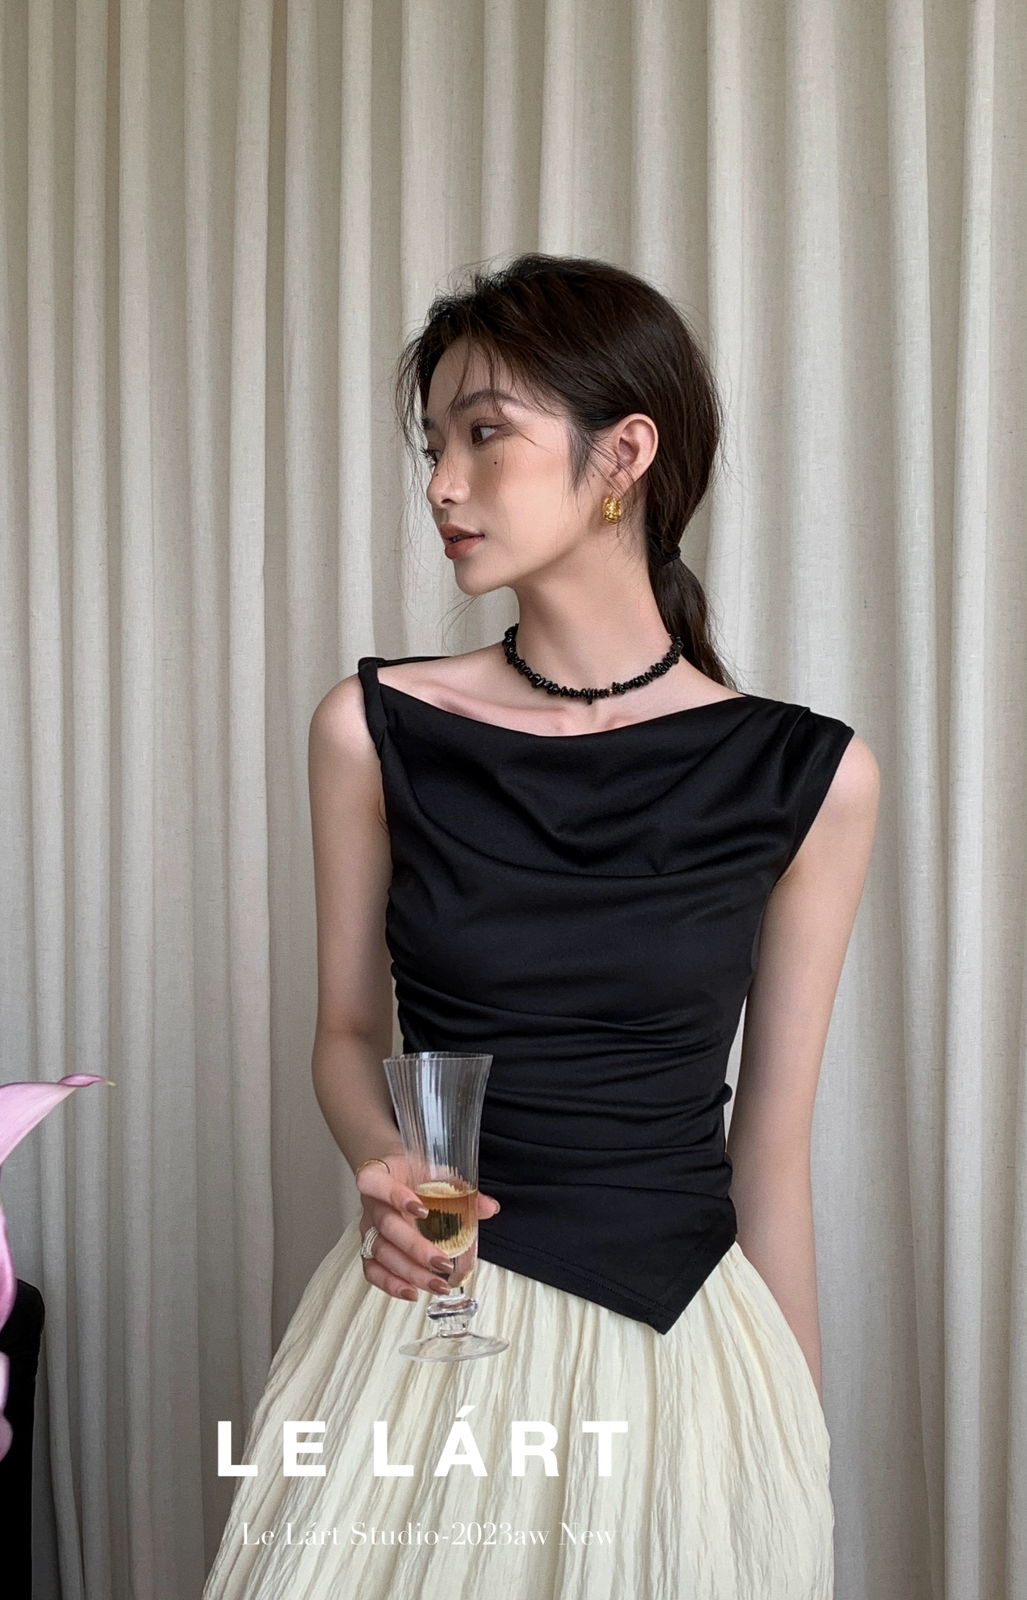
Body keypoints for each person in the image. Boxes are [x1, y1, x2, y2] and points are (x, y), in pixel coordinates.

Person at [202, 254, 879, 1600]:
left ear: (624, 454)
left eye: (484, 435)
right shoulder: (371, 729)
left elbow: (771, 1150)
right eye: (434, 447)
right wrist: (384, 1165)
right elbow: (345, 1032)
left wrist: (791, 1445)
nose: (441, 486)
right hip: (432, 1328)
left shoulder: (808, 775)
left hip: (683, 1347)